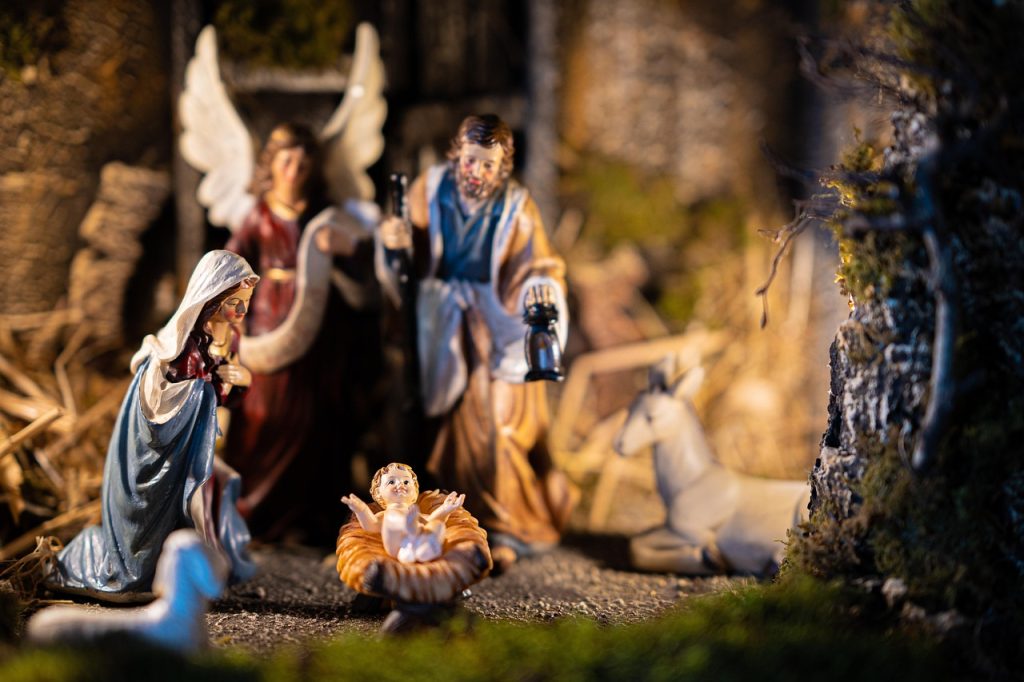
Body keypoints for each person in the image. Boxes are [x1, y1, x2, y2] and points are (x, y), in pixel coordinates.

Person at [377, 114, 575, 568]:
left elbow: (539, 265)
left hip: (495, 323)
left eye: (489, 165)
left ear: (503, 167)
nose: (477, 173)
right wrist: (392, 243)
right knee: (428, 421)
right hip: (438, 322)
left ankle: (503, 526)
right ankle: (435, 522)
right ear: (456, 155)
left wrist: (540, 290)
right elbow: (403, 254)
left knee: (498, 421)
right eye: (471, 161)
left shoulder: (517, 207)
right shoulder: (430, 189)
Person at [50, 250, 259, 601]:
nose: (241, 311)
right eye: (234, 303)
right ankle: (148, 573)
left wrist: (240, 381)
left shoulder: (225, 337)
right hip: (165, 452)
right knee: (170, 507)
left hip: (192, 448)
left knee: (222, 486)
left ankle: (206, 568)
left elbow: (219, 395)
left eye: (247, 303)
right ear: (211, 298)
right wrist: (215, 385)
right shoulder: (183, 346)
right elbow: (173, 404)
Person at [223, 122, 376, 541]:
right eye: (286, 161)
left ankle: (310, 518)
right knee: (262, 413)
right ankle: (253, 510)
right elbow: (233, 264)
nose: (294, 170)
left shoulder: (325, 213)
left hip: (320, 326)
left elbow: (364, 262)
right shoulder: (259, 215)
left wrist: (347, 247)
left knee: (316, 418)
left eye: (303, 163)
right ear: (271, 164)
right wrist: (235, 313)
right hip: (269, 322)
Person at [341, 462, 465, 564]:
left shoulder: (414, 513)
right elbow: (371, 525)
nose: (400, 484)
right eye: (391, 482)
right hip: (398, 547)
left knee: (438, 525)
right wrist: (361, 510)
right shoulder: (386, 514)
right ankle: (411, 534)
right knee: (392, 517)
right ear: (378, 493)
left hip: (417, 544)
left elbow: (431, 520)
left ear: (415, 491)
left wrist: (446, 509)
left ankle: (425, 550)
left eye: (406, 482)